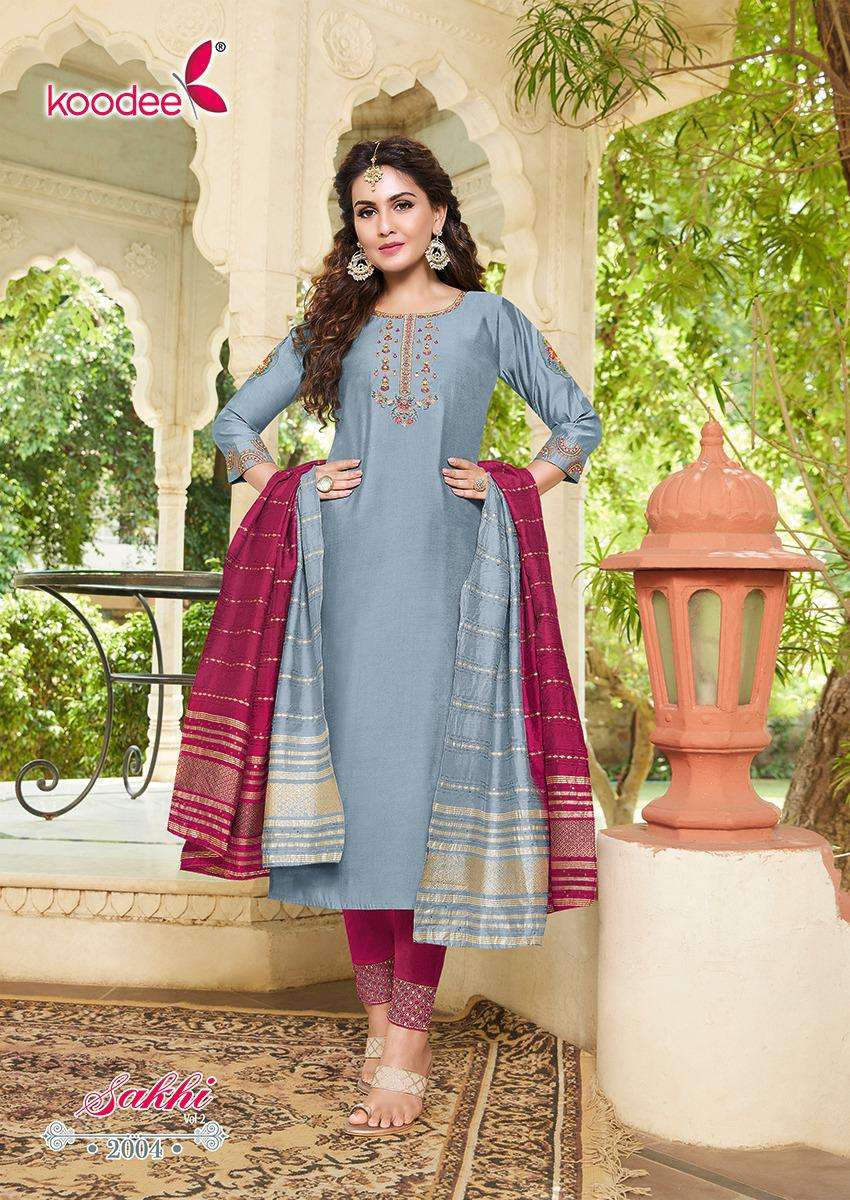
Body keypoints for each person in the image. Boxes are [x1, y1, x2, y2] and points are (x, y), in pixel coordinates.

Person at [210, 136, 602, 1135]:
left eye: (399, 204)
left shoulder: (489, 319)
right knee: (361, 809)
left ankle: (410, 1042)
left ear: (438, 215)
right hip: (341, 585)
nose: (382, 224)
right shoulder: (331, 325)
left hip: (449, 584)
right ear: (353, 228)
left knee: (421, 808)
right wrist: (292, 484)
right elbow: (234, 424)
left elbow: (576, 423)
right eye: (365, 209)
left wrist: (514, 483)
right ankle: (383, 1025)